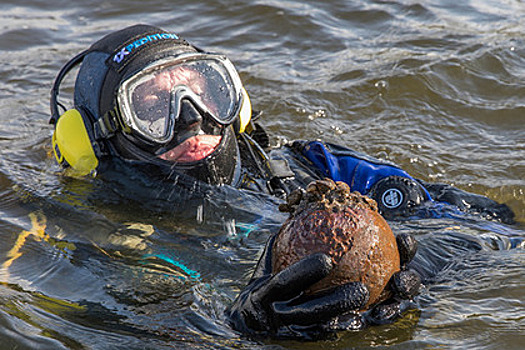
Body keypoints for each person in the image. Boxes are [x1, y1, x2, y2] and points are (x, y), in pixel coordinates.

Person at [49, 24, 515, 339]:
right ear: (95, 138)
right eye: (152, 106)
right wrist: (241, 329)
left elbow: (492, 227)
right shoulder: (92, 238)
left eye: (205, 90)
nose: (192, 118)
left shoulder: (317, 167)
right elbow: (125, 333)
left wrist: (417, 270)